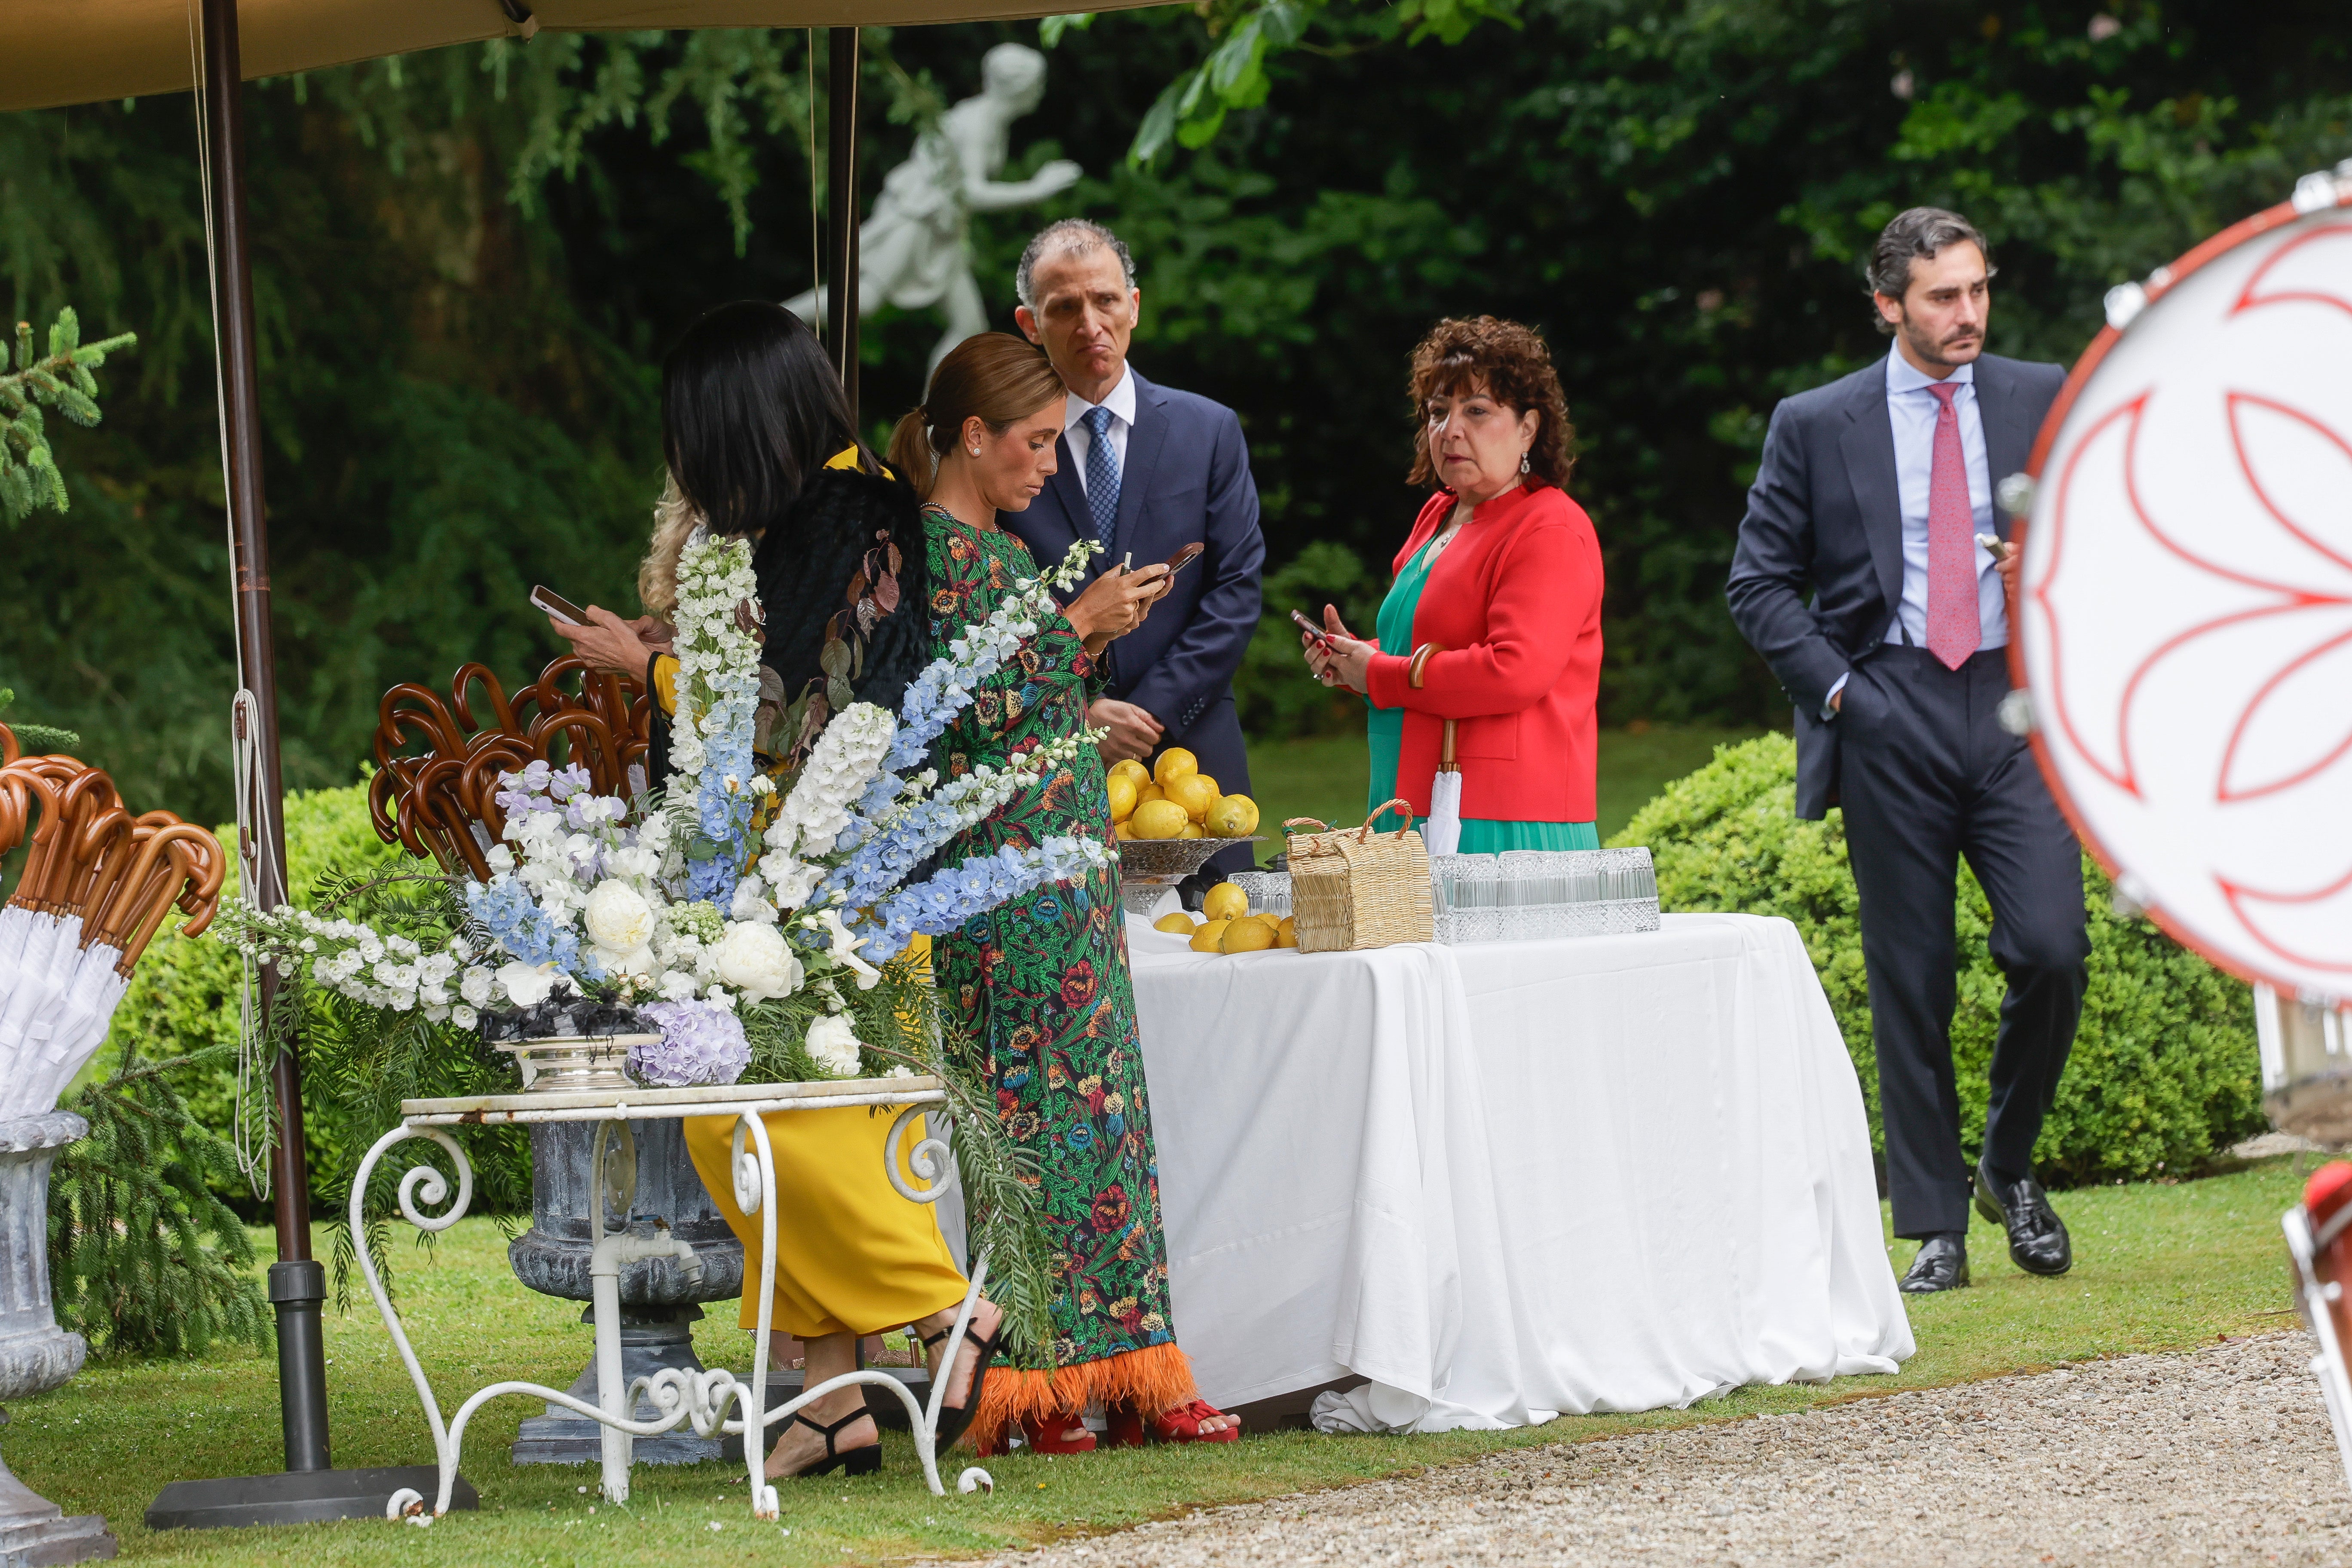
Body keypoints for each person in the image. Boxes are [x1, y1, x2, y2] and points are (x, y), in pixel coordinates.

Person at [551, 300, 1005, 1480]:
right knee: (778, 1124)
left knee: (764, 1119)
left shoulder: (853, 520)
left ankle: (942, 1307)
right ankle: (829, 1398)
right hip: (790, 873)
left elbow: (797, 716)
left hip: (838, 882)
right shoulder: (812, 515)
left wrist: (652, 668)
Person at [887, 331, 1242, 1454]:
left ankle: (1134, 1374)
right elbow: (935, 724)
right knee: (1028, 1133)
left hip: (1068, 878)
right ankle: (1035, 1390)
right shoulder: (921, 554)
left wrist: (1078, 683)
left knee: (1106, 1122)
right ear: (974, 436)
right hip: (997, 892)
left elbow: (1019, 709)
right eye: (1036, 443)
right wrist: (1077, 629)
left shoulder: (995, 549)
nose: (1050, 465)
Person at [1725, 208, 2088, 1295]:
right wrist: (1846, 695)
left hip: (2014, 702)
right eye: (1942, 296)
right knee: (1911, 976)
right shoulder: (1814, 422)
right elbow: (1757, 583)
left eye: (1978, 289)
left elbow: (2110, 529)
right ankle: (1935, 1225)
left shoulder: (2041, 394)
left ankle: (2006, 1165)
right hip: (1887, 705)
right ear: (1888, 304)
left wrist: (2052, 562)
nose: (1968, 313)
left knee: (2052, 948)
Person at [999, 218, 1266, 884]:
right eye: (1065, 307)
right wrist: (1081, 715)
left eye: (1105, 300)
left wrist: (1150, 713)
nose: (1090, 323)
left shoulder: (1209, 430)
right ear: (1030, 324)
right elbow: (993, 606)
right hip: (1055, 756)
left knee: (1220, 938)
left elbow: (1234, 593)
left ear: (1134, 306)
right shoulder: (1006, 451)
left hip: (1196, 759)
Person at [1300, 317, 1604, 851]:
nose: (1451, 430)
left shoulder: (1550, 526)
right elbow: (1422, 651)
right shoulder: (1438, 515)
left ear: (1529, 428)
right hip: (1409, 801)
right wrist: (1355, 662)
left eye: (1477, 411)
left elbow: (1514, 671)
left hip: (1501, 820)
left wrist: (1381, 675)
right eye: (1439, 412)